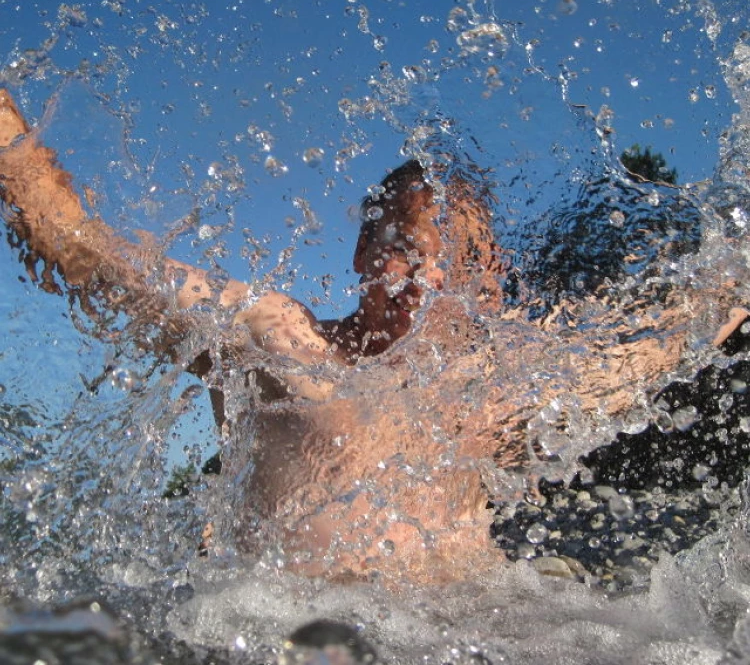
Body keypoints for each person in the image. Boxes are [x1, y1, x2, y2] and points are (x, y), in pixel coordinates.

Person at [0, 87, 746, 583]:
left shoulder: (496, 394)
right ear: (363, 256)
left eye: (457, 270)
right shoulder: (278, 342)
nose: (429, 286)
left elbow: (665, 342)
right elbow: (84, 251)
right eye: (413, 254)